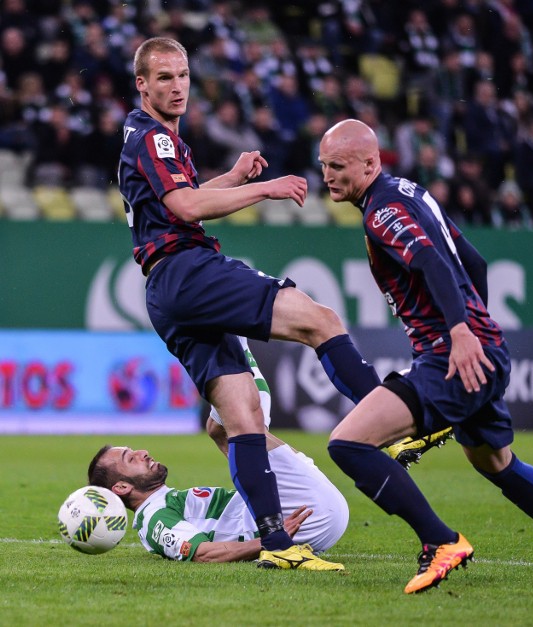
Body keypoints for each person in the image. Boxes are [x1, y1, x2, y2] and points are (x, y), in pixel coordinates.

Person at [317, 118, 533, 594]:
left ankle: (440, 541)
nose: (328, 175)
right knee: (494, 462)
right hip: (480, 352)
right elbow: (473, 261)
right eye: (323, 166)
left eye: (337, 165)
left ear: (371, 162)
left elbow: (434, 262)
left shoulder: (381, 209)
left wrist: (460, 333)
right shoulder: (411, 193)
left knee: (348, 443)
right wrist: (476, 330)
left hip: (450, 357)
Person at [117, 37, 381, 571]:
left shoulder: (153, 139)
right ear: (141, 84)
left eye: (183, 75)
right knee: (320, 320)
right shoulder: (153, 139)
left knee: (242, 418)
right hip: (188, 271)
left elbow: (178, 205)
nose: (177, 86)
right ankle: (388, 418)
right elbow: (188, 206)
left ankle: (277, 547)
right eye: (163, 78)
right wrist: (265, 189)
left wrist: (234, 179)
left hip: (165, 293)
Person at [87, 339, 349, 564]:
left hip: (295, 511)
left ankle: (235, 343)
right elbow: (203, 554)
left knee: (219, 429)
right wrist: (271, 540)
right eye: (129, 458)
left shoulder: (164, 502)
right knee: (248, 423)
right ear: (121, 487)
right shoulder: (155, 518)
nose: (142, 452)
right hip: (300, 518)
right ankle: (236, 338)